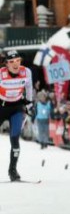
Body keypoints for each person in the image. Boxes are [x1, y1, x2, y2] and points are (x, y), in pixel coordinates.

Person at [0, 49, 34, 181]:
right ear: (6, 64)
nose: (15, 64)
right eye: (12, 62)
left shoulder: (26, 72)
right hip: (1, 107)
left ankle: (13, 171)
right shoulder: (1, 74)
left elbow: (29, 87)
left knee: (15, 139)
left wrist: (30, 104)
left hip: (16, 108)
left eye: (18, 61)